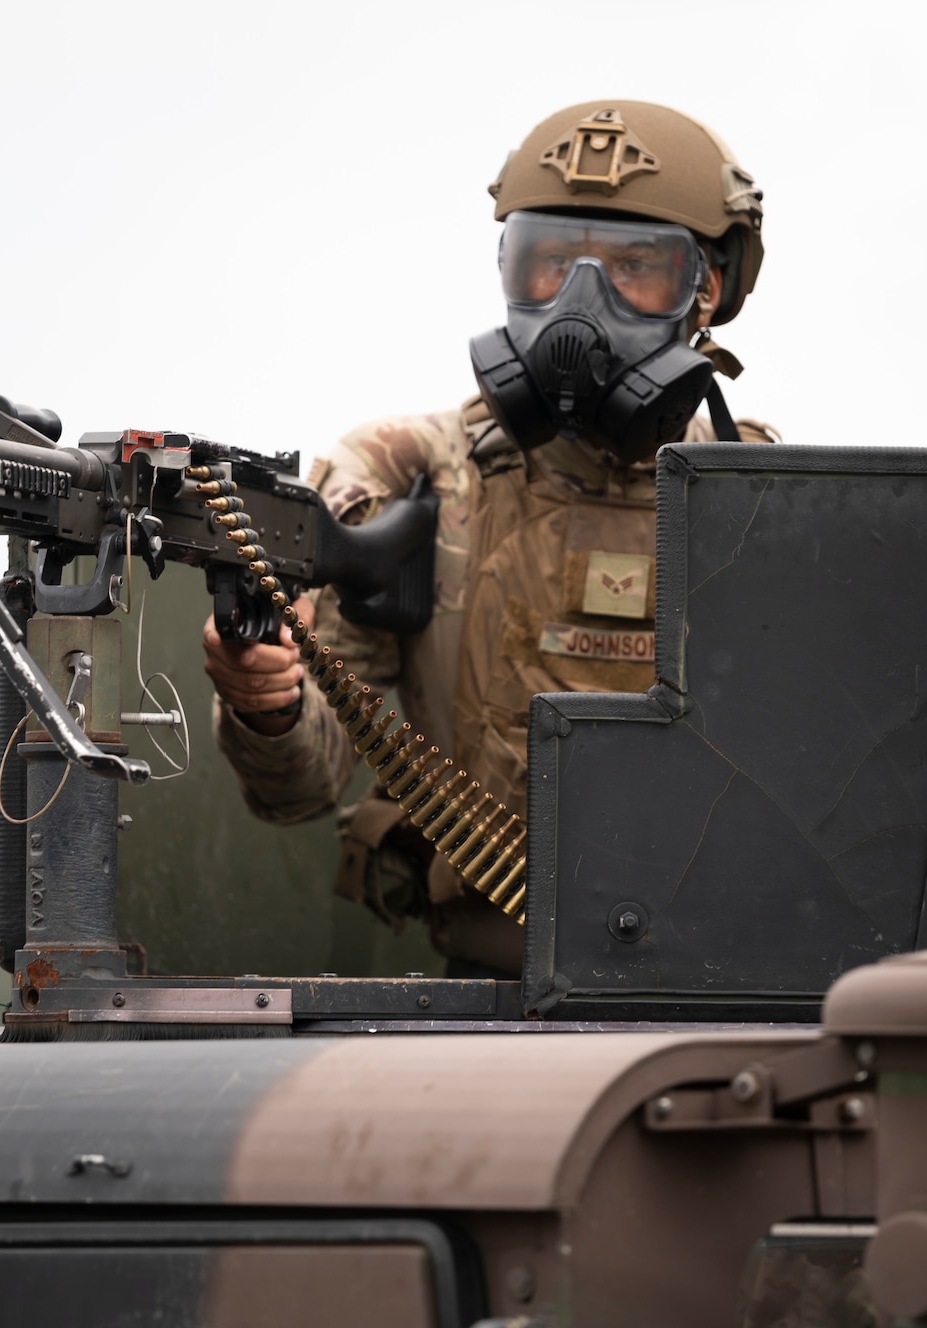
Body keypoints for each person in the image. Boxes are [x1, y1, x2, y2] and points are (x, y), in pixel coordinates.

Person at [202, 100, 778, 976]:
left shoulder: (769, 498)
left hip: (722, 986)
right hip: (483, 998)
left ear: (709, 289)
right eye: (550, 263)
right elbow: (302, 789)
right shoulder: (408, 470)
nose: (583, 306)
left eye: (636, 269)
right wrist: (266, 699)